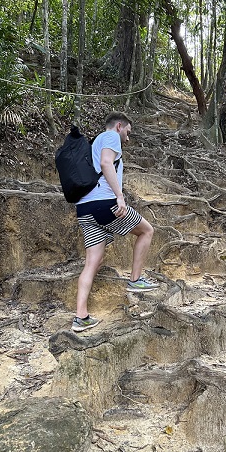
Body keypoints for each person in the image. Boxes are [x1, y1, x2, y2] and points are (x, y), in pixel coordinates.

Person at [72, 111, 158, 332]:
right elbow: (106, 163)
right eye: (128, 132)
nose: (128, 138)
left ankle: (81, 317)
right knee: (146, 231)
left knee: (93, 262)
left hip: (84, 209)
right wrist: (120, 196)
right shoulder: (110, 136)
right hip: (104, 204)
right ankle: (135, 280)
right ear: (119, 126)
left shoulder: (94, 143)